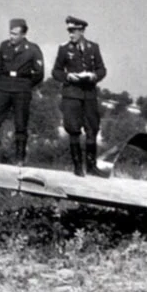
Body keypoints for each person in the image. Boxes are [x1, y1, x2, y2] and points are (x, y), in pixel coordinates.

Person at [0, 18, 45, 165]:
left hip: (22, 89)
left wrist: (26, 85)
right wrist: (4, 81)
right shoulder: (4, 46)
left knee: (20, 124)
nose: (12, 37)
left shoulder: (32, 49)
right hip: (4, 87)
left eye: (15, 34)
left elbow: (39, 74)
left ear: (23, 35)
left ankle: (20, 158)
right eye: (11, 33)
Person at [52, 15, 106, 176]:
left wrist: (94, 76)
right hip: (71, 95)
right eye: (69, 31)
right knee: (73, 130)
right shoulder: (64, 49)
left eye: (73, 31)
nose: (70, 35)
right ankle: (77, 167)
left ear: (82, 31)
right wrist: (67, 76)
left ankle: (91, 166)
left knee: (92, 130)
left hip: (89, 95)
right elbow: (56, 71)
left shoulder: (93, 48)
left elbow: (102, 69)